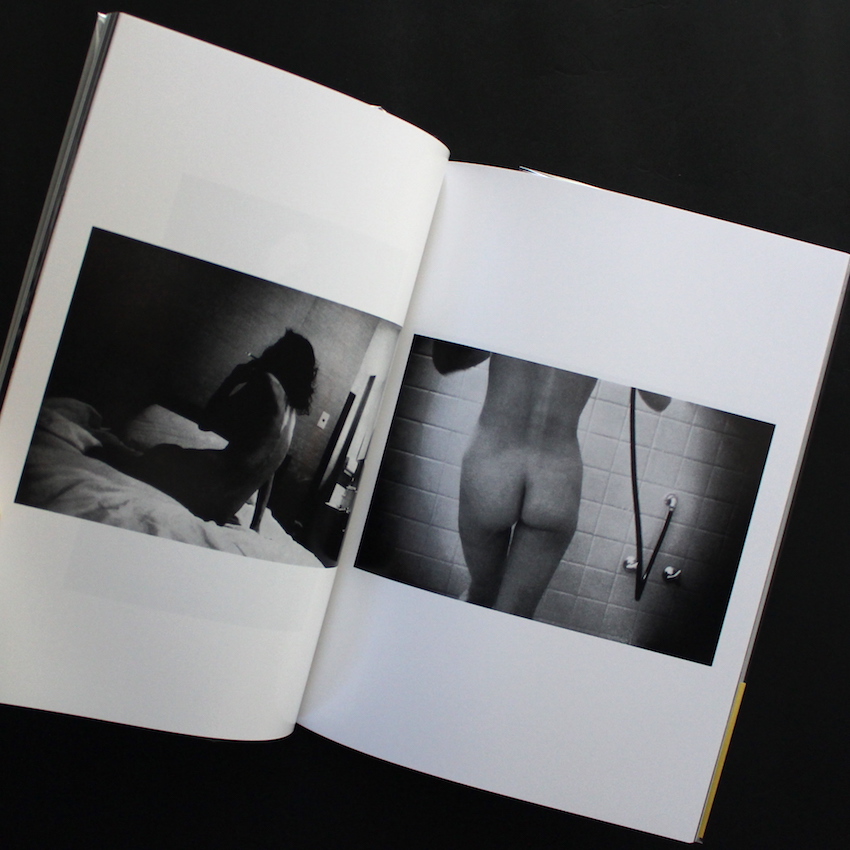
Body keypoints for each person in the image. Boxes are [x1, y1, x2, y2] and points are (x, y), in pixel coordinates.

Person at [432, 341, 668, 619]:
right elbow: (659, 400)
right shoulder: (613, 324)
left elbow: (444, 361)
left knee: (480, 595)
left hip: (493, 464)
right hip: (556, 478)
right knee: (514, 618)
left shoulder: (519, 313)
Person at [93, 330, 317, 526]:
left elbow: (206, 423)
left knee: (139, 454)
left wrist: (233, 379)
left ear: (279, 355)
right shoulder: (290, 416)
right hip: (221, 510)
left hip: (203, 486)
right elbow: (269, 471)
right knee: (159, 457)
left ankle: (105, 443)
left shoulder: (265, 384)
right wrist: (256, 524)